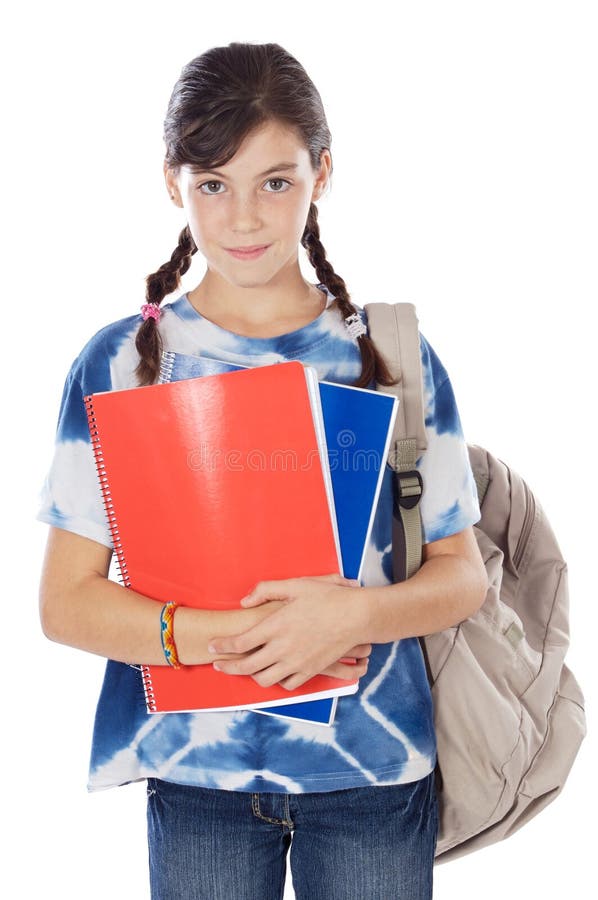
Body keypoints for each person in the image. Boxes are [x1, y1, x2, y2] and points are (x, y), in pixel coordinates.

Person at [36, 41, 488, 900]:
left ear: (323, 173)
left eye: (275, 182)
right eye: (214, 185)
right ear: (172, 182)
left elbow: (462, 575)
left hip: (372, 776)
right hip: (198, 780)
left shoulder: (390, 355)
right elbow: (65, 604)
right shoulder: (121, 364)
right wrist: (247, 639)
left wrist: (354, 615)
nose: (244, 219)